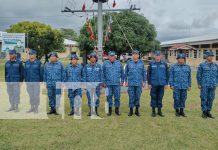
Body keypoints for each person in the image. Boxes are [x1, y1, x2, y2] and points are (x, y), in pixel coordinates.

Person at [197, 50, 218, 119]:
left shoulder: (215, 65)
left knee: (211, 98)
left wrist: (216, 83)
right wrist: (199, 84)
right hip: (204, 85)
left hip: (213, 85)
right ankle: (204, 112)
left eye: (212, 56)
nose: (211, 57)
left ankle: (208, 111)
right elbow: (199, 75)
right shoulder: (202, 65)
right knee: (204, 98)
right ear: (206, 56)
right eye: (209, 56)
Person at [147, 51, 169, 117]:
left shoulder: (164, 64)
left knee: (160, 97)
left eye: (159, 55)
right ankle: (153, 111)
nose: (157, 56)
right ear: (154, 56)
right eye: (156, 55)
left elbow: (167, 74)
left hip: (162, 83)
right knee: (153, 97)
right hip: (153, 83)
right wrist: (149, 83)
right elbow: (148, 74)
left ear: (161, 56)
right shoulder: (151, 63)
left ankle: (159, 111)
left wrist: (166, 83)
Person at [124, 50, 146, 117]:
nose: (135, 55)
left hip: (139, 83)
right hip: (131, 83)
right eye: (134, 54)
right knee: (131, 96)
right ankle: (131, 110)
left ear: (138, 55)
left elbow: (143, 73)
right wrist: (126, 81)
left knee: (138, 97)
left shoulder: (141, 63)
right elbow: (126, 73)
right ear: (132, 55)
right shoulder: (129, 62)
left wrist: (144, 81)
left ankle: (137, 110)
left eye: (136, 54)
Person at [102, 51, 124, 116]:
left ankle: (117, 110)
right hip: (108, 84)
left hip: (117, 84)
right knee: (108, 97)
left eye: (113, 56)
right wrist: (103, 82)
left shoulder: (119, 63)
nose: (112, 57)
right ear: (108, 56)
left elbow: (122, 73)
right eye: (110, 56)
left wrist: (122, 81)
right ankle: (110, 110)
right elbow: (102, 74)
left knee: (117, 97)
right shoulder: (105, 63)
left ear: (115, 56)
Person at [83, 52, 102, 116]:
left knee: (96, 98)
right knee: (89, 98)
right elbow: (84, 76)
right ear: (89, 59)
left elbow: (101, 76)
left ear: (96, 59)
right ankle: (90, 111)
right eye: (91, 57)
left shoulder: (99, 66)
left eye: (94, 57)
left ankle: (96, 111)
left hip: (97, 85)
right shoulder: (86, 66)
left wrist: (101, 84)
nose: (92, 59)